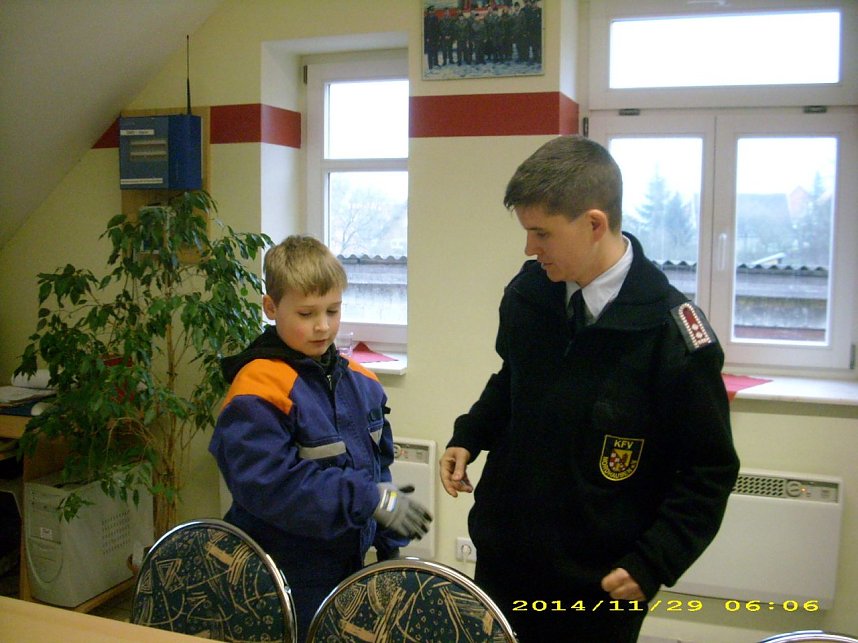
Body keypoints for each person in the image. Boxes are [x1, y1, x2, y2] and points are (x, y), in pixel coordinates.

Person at [440, 136, 739, 642]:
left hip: (594, 589)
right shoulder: (529, 294)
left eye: (542, 233)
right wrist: (470, 434)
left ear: (594, 224)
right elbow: (514, 377)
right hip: (505, 562)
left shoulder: (674, 336)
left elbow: (709, 471)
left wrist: (655, 560)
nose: (529, 249)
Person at [210, 235, 432, 642]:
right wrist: (369, 500)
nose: (323, 326)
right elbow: (271, 486)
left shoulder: (362, 382)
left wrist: (388, 541)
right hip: (277, 573)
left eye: (333, 310)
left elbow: (375, 471)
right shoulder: (258, 387)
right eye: (307, 313)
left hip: (345, 567)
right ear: (271, 307)